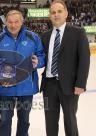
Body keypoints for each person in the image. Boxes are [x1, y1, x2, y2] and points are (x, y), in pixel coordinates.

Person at [0, 10, 45, 136]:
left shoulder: (33, 37)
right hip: (6, 87)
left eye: (16, 22)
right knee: (4, 120)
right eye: (10, 22)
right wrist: (1, 77)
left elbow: (42, 56)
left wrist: (38, 61)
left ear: (22, 22)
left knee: (24, 121)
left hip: (27, 88)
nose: (13, 25)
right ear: (6, 22)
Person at [40, 0, 90, 136]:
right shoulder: (45, 36)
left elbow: (84, 60)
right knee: (50, 121)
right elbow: (42, 58)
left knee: (70, 120)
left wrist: (80, 83)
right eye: (53, 12)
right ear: (50, 15)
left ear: (66, 13)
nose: (56, 15)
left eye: (59, 11)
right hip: (49, 85)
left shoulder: (78, 33)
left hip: (70, 85)